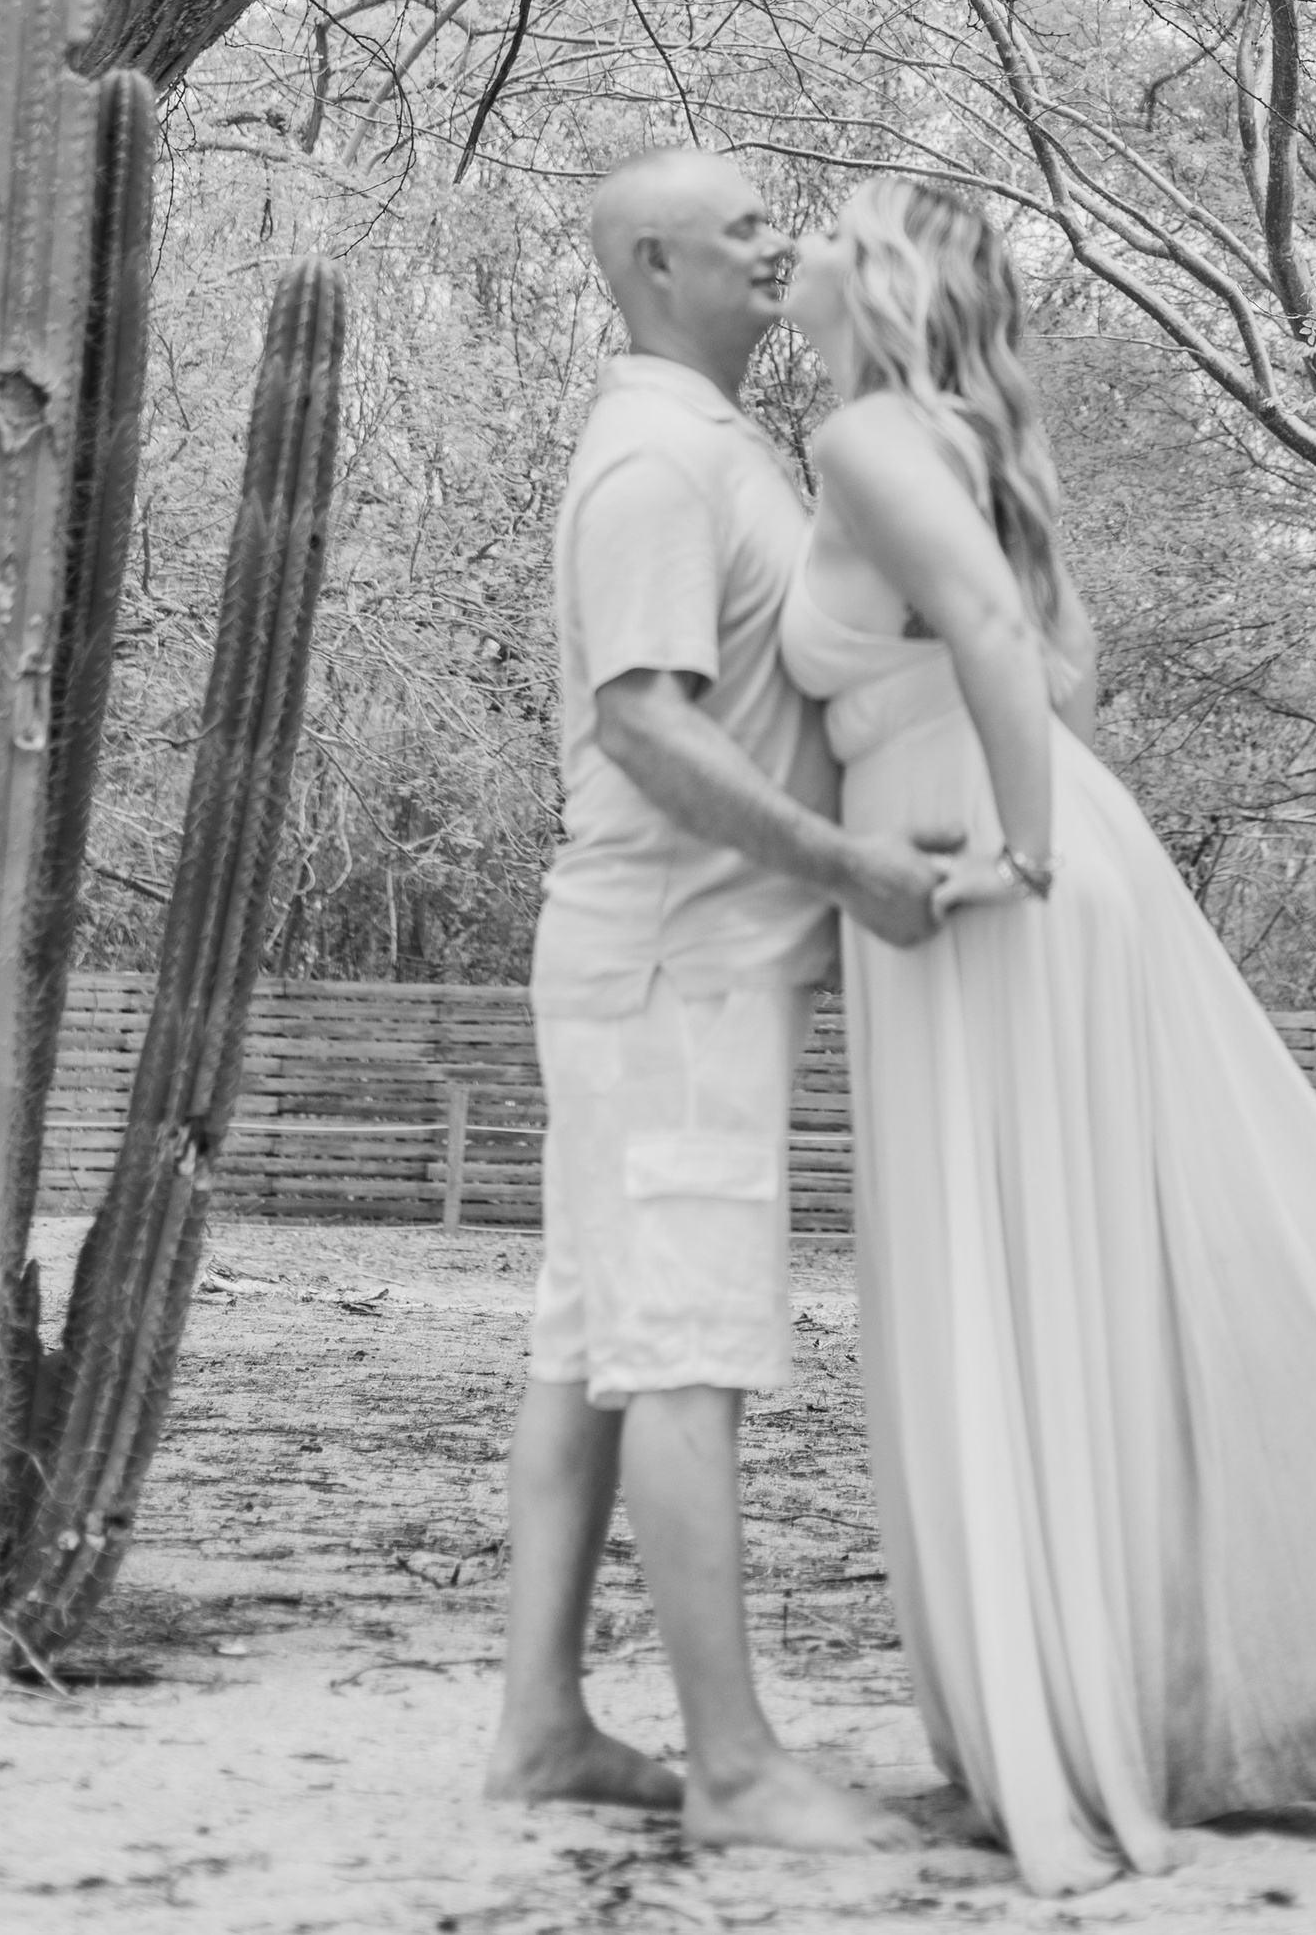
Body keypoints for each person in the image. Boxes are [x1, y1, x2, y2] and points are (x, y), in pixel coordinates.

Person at [778, 176, 1316, 1896]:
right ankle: (1110, 1696)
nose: (802, 243)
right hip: (1026, 849)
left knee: (1010, 1285)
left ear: (883, 281)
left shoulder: (872, 441)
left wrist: (1021, 850)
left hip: (996, 868)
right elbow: (1061, 662)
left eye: (829, 223)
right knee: (1069, 1289)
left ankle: (1067, 1719)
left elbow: (988, 637)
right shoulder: (941, 443)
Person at [483, 147, 949, 1849]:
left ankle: (539, 1728)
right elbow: (646, 723)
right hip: (674, 973)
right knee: (681, 1353)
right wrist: (850, 868)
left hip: (667, 973)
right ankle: (736, 1764)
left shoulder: (717, 447)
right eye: (744, 227)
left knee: (590, 1342)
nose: (778, 242)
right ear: (657, 265)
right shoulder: (654, 467)